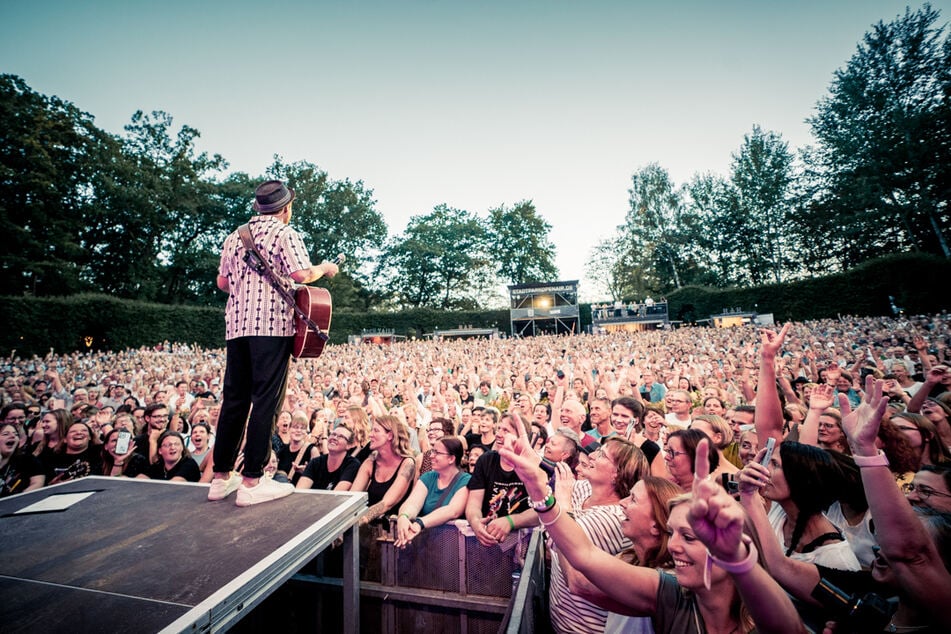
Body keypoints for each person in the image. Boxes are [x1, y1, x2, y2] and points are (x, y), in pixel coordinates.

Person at [498, 426, 804, 634]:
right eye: (675, 534)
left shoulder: (755, 614)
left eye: (690, 536)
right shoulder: (674, 594)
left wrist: (736, 558)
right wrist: (539, 491)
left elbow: (789, 631)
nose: (674, 546)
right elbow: (584, 555)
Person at [209, 180, 338, 507]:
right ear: (286, 208)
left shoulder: (234, 237)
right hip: (271, 326)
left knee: (235, 400)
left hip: (237, 326)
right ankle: (252, 480)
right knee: (266, 400)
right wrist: (324, 268)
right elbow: (300, 275)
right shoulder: (285, 233)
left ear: (258, 207)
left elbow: (222, 282)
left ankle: (220, 477)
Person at [395, 436, 471, 547]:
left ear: (451, 459)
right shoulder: (428, 477)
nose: (431, 456)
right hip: (426, 546)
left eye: (437, 453)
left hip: (453, 548)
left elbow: (453, 510)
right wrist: (403, 516)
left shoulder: (465, 480)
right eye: (432, 451)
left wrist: (419, 524)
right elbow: (413, 503)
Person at [351, 415, 416, 526]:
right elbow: (352, 498)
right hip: (370, 530)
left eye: (376, 431)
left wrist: (357, 522)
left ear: (390, 435)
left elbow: (387, 503)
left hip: (396, 532)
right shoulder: (370, 462)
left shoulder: (407, 464)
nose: (370, 435)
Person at [296, 423, 360, 491]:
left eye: (341, 436)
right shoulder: (315, 462)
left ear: (349, 445)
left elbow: (338, 494)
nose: (334, 438)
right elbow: (300, 490)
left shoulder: (352, 465)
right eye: (333, 434)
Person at [1, 421, 44, 496]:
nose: (13, 436)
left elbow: (38, 483)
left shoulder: (28, 460)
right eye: (5, 434)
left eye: (16, 434)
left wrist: (18, 499)